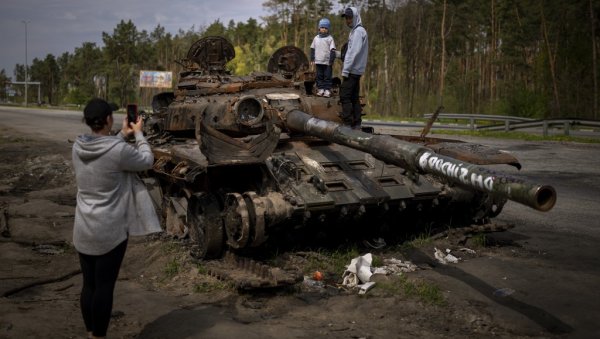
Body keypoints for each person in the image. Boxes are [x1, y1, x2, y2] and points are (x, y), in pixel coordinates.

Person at [72, 98, 161, 338]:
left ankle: (91, 332)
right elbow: (146, 160)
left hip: (83, 229)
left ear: (88, 122)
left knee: (89, 285)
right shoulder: (118, 150)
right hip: (109, 233)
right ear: (109, 119)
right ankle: (98, 336)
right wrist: (139, 135)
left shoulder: (78, 146)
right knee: (104, 287)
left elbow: (106, 152)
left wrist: (121, 134)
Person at [340, 7, 368, 129]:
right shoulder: (357, 31)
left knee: (344, 95)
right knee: (353, 97)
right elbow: (349, 52)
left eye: (350, 17)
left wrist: (345, 70)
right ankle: (357, 123)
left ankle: (347, 124)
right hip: (356, 70)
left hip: (352, 70)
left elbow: (353, 52)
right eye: (346, 18)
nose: (348, 20)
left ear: (356, 17)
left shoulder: (358, 32)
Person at [310, 18, 336, 98]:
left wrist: (331, 60)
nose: (324, 29)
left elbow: (332, 50)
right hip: (318, 61)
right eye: (322, 27)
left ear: (328, 29)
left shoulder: (330, 38)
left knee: (327, 76)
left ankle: (327, 90)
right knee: (319, 76)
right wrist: (312, 59)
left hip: (327, 62)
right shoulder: (316, 38)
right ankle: (321, 89)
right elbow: (312, 48)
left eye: (326, 28)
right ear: (319, 28)